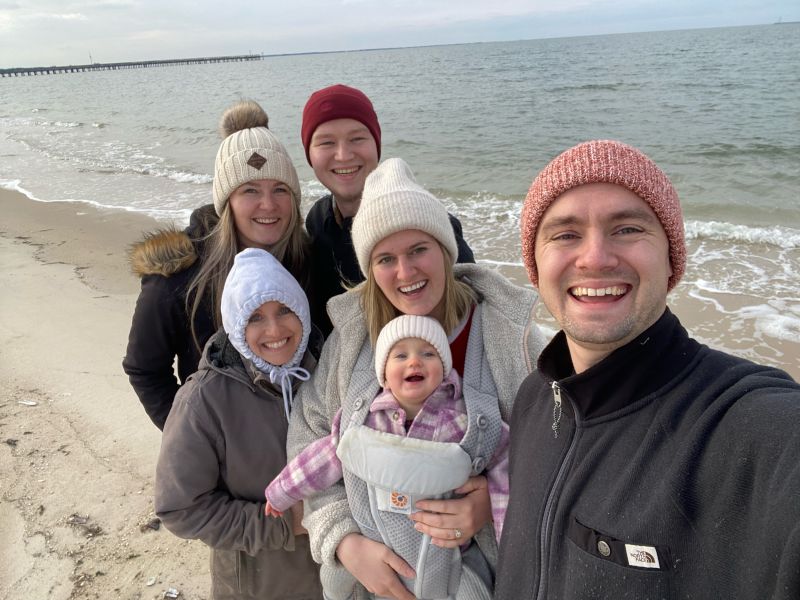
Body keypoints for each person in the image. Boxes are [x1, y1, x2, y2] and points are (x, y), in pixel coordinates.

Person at [494, 140, 800, 600]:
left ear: (671, 258)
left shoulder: (746, 427)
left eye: (627, 228)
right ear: (535, 264)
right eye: (565, 234)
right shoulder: (534, 400)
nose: (595, 257)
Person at [288, 157, 548, 600]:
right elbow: (309, 433)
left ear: (445, 251)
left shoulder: (510, 337)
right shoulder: (352, 340)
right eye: (386, 258)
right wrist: (345, 543)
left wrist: (491, 503)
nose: (406, 273)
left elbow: (558, 456)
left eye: (418, 250)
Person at [266, 314, 510, 600]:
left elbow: (503, 457)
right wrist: (281, 492)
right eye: (401, 355)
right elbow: (323, 457)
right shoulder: (365, 419)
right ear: (383, 373)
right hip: (374, 540)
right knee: (333, 581)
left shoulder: (461, 420)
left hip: (442, 554)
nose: (414, 362)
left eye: (428, 353)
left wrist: (499, 515)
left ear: (445, 370)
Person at [123, 100, 315, 429]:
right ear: (226, 201)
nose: (268, 205)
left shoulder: (307, 261)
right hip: (222, 452)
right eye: (250, 190)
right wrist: (191, 439)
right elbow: (145, 368)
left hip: (303, 443)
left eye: (280, 189)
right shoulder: (178, 273)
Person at [155, 247, 324, 599]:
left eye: (285, 310)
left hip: (337, 579)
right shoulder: (204, 399)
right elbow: (180, 507)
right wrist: (282, 524)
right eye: (255, 318)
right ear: (235, 325)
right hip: (258, 586)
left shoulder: (329, 373)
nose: (275, 329)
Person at [300, 83, 476, 335]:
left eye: (357, 138)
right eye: (326, 142)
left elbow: (472, 309)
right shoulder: (318, 221)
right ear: (309, 154)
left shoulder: (426, 224)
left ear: (376, 145)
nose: (343, 155)